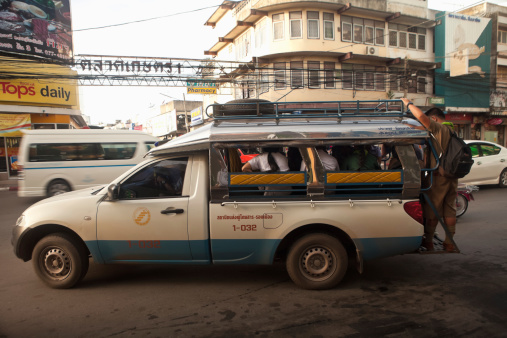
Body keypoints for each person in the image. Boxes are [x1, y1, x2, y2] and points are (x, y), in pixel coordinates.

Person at [401, 98, 458, 252]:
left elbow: (421, 117)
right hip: (452, 177)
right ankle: (449, 243)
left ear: (434, 119)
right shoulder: (453, 130)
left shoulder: (440, 129)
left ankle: (429, 242)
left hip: (439, 177)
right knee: (449, 209)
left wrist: (408, 103)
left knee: (432, 209)